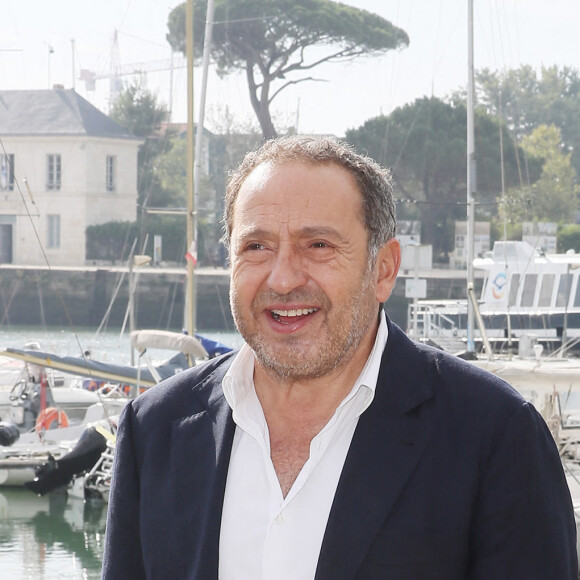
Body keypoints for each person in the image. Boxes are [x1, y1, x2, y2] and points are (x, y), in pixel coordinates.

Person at [102, 135, 577, 579]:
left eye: (319, 246)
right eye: (257, 246)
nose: (283, 279)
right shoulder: (154, 430)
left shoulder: (494, 436)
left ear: (383, 270)